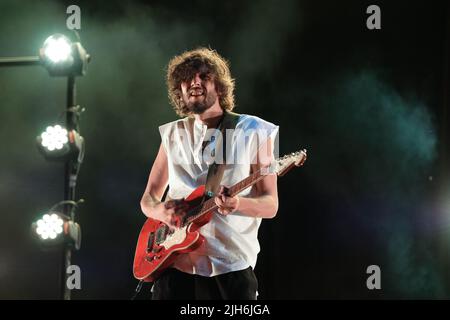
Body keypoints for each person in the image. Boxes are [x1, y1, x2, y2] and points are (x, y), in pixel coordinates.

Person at [140, 47, 279, 300]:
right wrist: (161, 211)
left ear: (220, 87)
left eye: (204, 76)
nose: (195, 81)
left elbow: (270, 205)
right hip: (174, 266)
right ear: (179, 90)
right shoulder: (172, 133)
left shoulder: (254, 130)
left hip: (230, 267)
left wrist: (237, 204)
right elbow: (148, 198)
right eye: (187, 77)